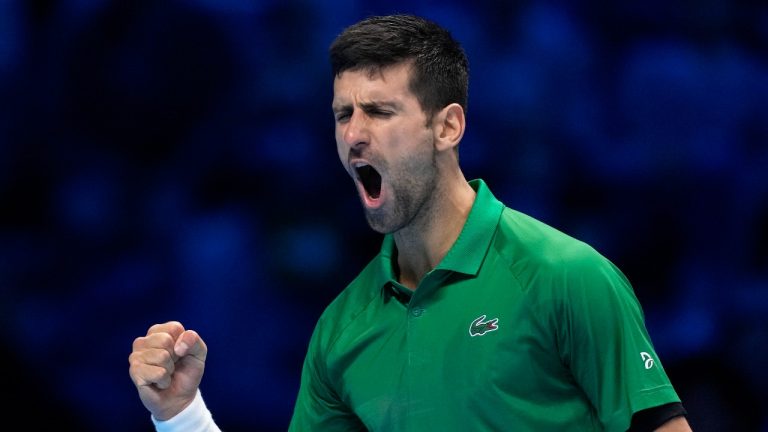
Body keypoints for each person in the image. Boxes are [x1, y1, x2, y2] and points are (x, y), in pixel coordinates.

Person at [128, 14, 692, 431]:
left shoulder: (565, 276)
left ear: (447, 128)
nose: (353, 134)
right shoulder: (341, 329)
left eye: (379, 111)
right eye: (343, 114)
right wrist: (181, 415)